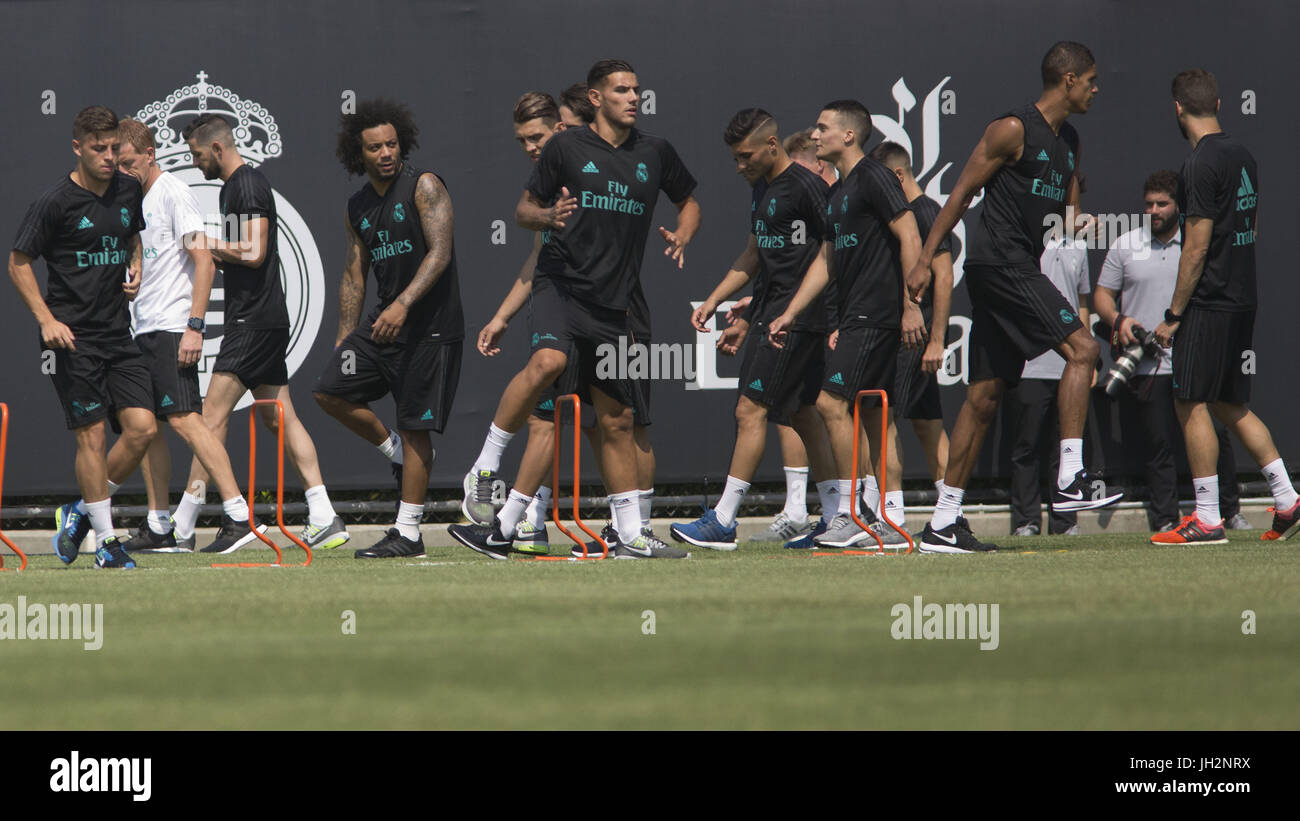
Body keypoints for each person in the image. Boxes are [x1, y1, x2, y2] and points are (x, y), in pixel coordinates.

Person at [449, 58, 700, 560]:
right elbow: (523, 211)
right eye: (622, 90)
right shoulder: (564, 147)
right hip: (560, 289)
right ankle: (486, 466)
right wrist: (547, 214)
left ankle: (627, 536)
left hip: (614, 306)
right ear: (595, 98)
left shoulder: (656, 151)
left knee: (618, 420)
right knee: (548, 363)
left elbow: (689, 199)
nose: (633, 97)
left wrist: (685, 231)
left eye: (636, 89)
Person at [905, 41, 1120, 554]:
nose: (1096, 87)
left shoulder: (1070, 142)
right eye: (1090, 79)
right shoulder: (1012, 128)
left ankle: (943, 522)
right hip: (999, 262)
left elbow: (1058, 217)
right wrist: (923, 259)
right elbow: (958, 194)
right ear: (1068, 80)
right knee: (1085, 350)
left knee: (982, 397)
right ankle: (1070, 476)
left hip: (1016, 261)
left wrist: (1076, 224)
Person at [668, 109, 838, 551]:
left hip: (796, 318)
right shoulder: (762, 189)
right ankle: (838, 519)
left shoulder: (806, 186)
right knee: (802, 413)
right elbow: (753, 255)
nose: (739, 166)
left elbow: (835, 248)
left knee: (750, 410)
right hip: (773, 311)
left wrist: (808, 312)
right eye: (735, 159)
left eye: (746, 157)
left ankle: (723, 520)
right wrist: (715, 300)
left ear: (772, 145)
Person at [178, 113, 349, 551]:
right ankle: (325, 513)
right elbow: (242, 253)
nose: (196, 163)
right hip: (263, 319)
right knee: (281, 417)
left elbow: (252, 252)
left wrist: (203, 243)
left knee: (207, 421)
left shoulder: (246, 185)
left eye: (197, 154)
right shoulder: (234, 188)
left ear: (217, 148)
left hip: (251, 323)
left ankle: (186, 525)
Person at [1149, 69, 1300, 544]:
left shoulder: (1198, 164)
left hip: (1210, 301)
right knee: (1229, 403)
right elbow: (1242, 228)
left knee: (1189, 400)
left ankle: (1208, 519)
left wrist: (1173, 316)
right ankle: (1288, 499)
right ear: (1217, 104)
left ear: (1177, 108)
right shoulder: (1244, 155)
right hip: (1242, 297)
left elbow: (1195, 248)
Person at [768, 99, 924, 549]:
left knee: (829, 404)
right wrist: (790, 312)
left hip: (876, 315)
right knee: (869, 417)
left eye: (822, 128)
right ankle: (885, 523)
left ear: (849, 135)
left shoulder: (874, 175)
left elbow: (910, 234)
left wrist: (911, 306)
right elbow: (826, 259)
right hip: (858, 314)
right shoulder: (837, 192)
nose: (815, 135)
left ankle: (855, 514)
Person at [312, 99, 463, 559]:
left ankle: (410, 534)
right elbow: (354, 273)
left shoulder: (425, 186)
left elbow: (440, 254)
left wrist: (401, 304)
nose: (385, 153)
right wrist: (344, 336)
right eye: (375, 147)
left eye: (392, 144)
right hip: (383, 329)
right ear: (359, 155)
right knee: (329, 390)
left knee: (418, 428)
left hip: (431, 329)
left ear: (403, 144)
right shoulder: (356, 206)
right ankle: (394, 453)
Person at [8, 105, 151, 568]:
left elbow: (133, 237)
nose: (109, 157)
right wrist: (46, 320)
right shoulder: (54, 201)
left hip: (118, 332)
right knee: (90, 438)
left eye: (114, 148)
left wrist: (137, 262)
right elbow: (18, 262)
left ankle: (81, 510)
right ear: (78, 148)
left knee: (143, 431)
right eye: (98, 149)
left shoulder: (129, 189)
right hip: (72, 338)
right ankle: (107, 544)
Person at [114, 117, 257, 554]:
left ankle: (238, 515)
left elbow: (205, 261)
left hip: (172, 327)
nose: (121, 171)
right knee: (149, 426)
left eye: (128, 162)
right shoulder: (131, 200)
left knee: (184, 420)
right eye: (116, 164)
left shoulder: (174, 192)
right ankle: (159, 525)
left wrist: (195, 327)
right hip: (140, 327)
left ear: (149, 155)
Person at [1093, 169, 1246, 532]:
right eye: (1148, 204)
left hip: (1195, 359)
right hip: (1147, 366)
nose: (1154, 210)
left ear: (1178, 205)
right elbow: (1101, 295)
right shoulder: (1126, 244)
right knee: (1159, 447)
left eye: (1162, 203)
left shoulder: (1196, 247)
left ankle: (1228, 512)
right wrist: (1119, 320)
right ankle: (1165, 519)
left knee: (1217, 439)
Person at [867, 141, 957, 542]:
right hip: (911, 335)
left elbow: (945, 277)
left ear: (898, 177)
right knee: (928, 427)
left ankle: (891, 519)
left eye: (883, 183)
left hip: (913, 337)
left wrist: (937, 339)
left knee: (881, 421)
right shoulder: (907, 213)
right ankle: (950, 516)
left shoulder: (925, 214)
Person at [1007, 236, 1090, 536]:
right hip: (1030, 363)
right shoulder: (1025, 241)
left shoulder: (1079, 246)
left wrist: (1087, 358)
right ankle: (1026, 521)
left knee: (1065, 448)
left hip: (1070, 365)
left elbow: (1082, 304)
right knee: (1025, 446)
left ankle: (1065, 522)